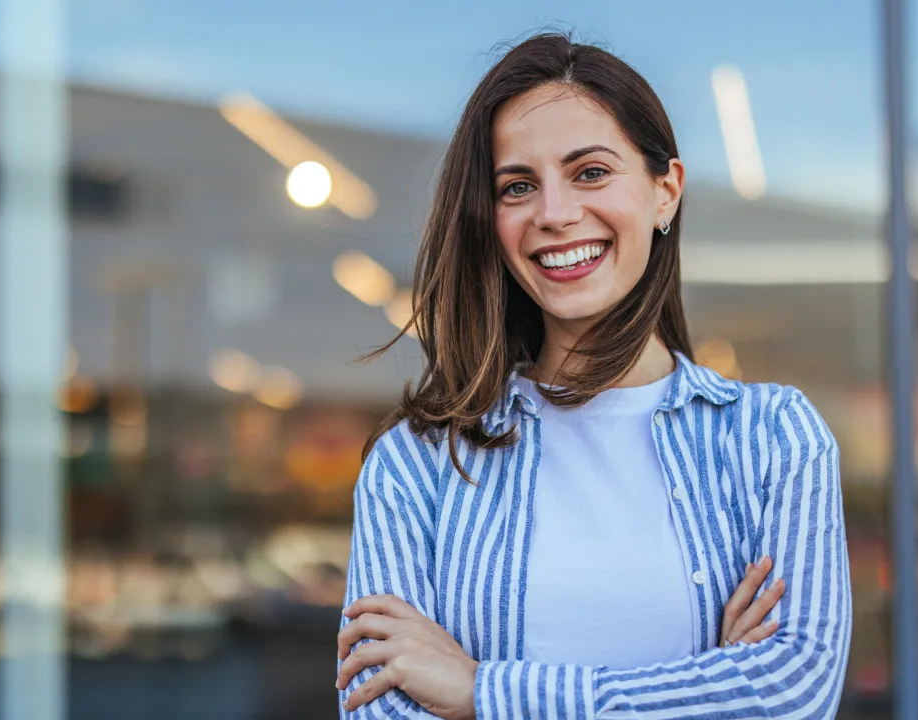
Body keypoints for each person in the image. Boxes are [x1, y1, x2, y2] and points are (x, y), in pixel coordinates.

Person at [335, 32, 851, 719]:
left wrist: (480, 692)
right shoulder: (418, 466)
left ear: (665, 192)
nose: (554, 214)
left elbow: (791, 691)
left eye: (591, 173)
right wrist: (708, 687)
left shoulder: (773, 440)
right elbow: (380, 711)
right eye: (518, 186)